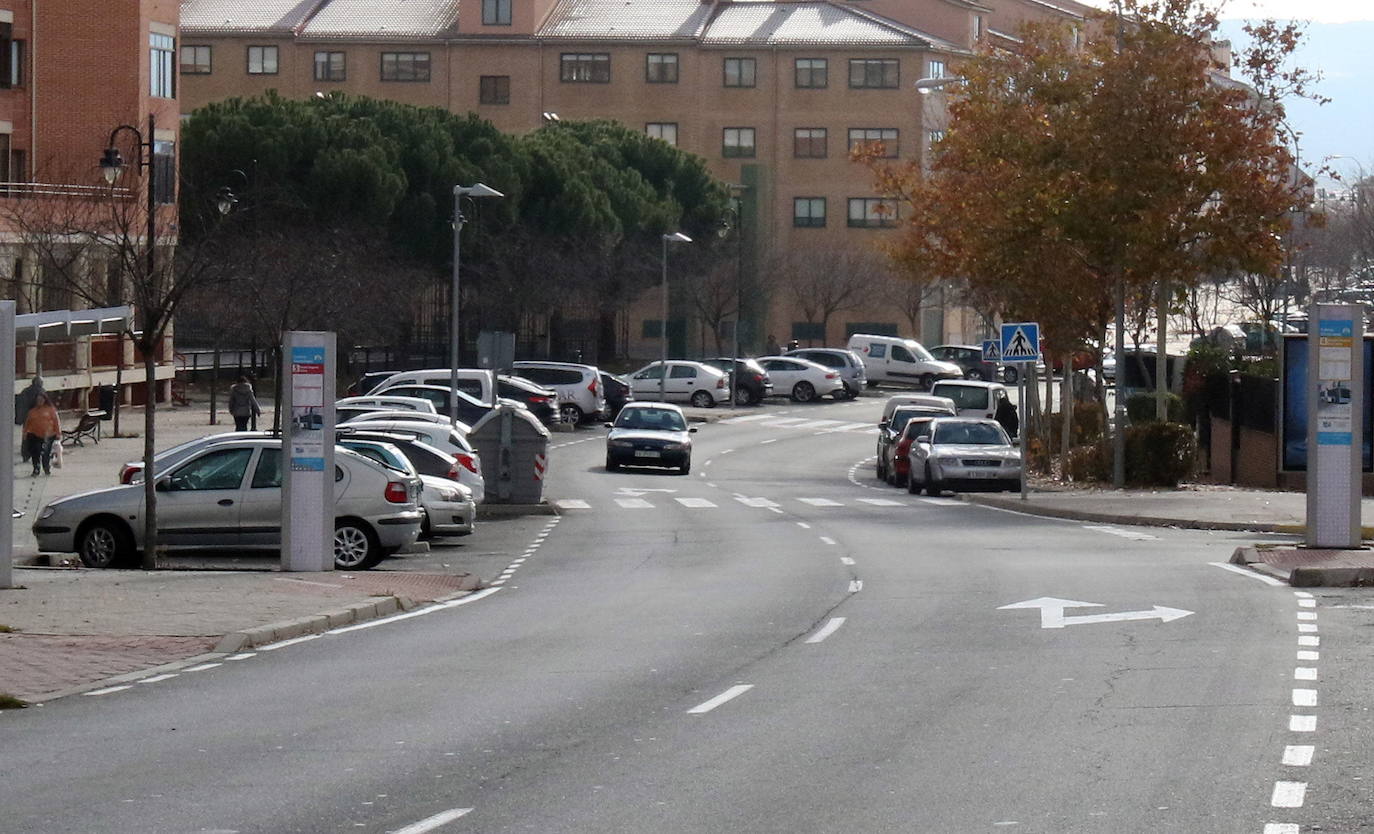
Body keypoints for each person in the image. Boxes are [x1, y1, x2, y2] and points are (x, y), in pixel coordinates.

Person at [23, 392, 60, 476]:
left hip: (48, 435)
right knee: (35, 453)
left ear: (45, 400)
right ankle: (36, 469)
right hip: (34, 435)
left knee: (46, 453)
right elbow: (27, 423)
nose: (39, 401)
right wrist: (25, 433)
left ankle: (46, 468)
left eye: (41, 399)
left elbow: (56, 422)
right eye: (38, 400)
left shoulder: (51, 409)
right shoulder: (32, 411)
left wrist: (58, 433)